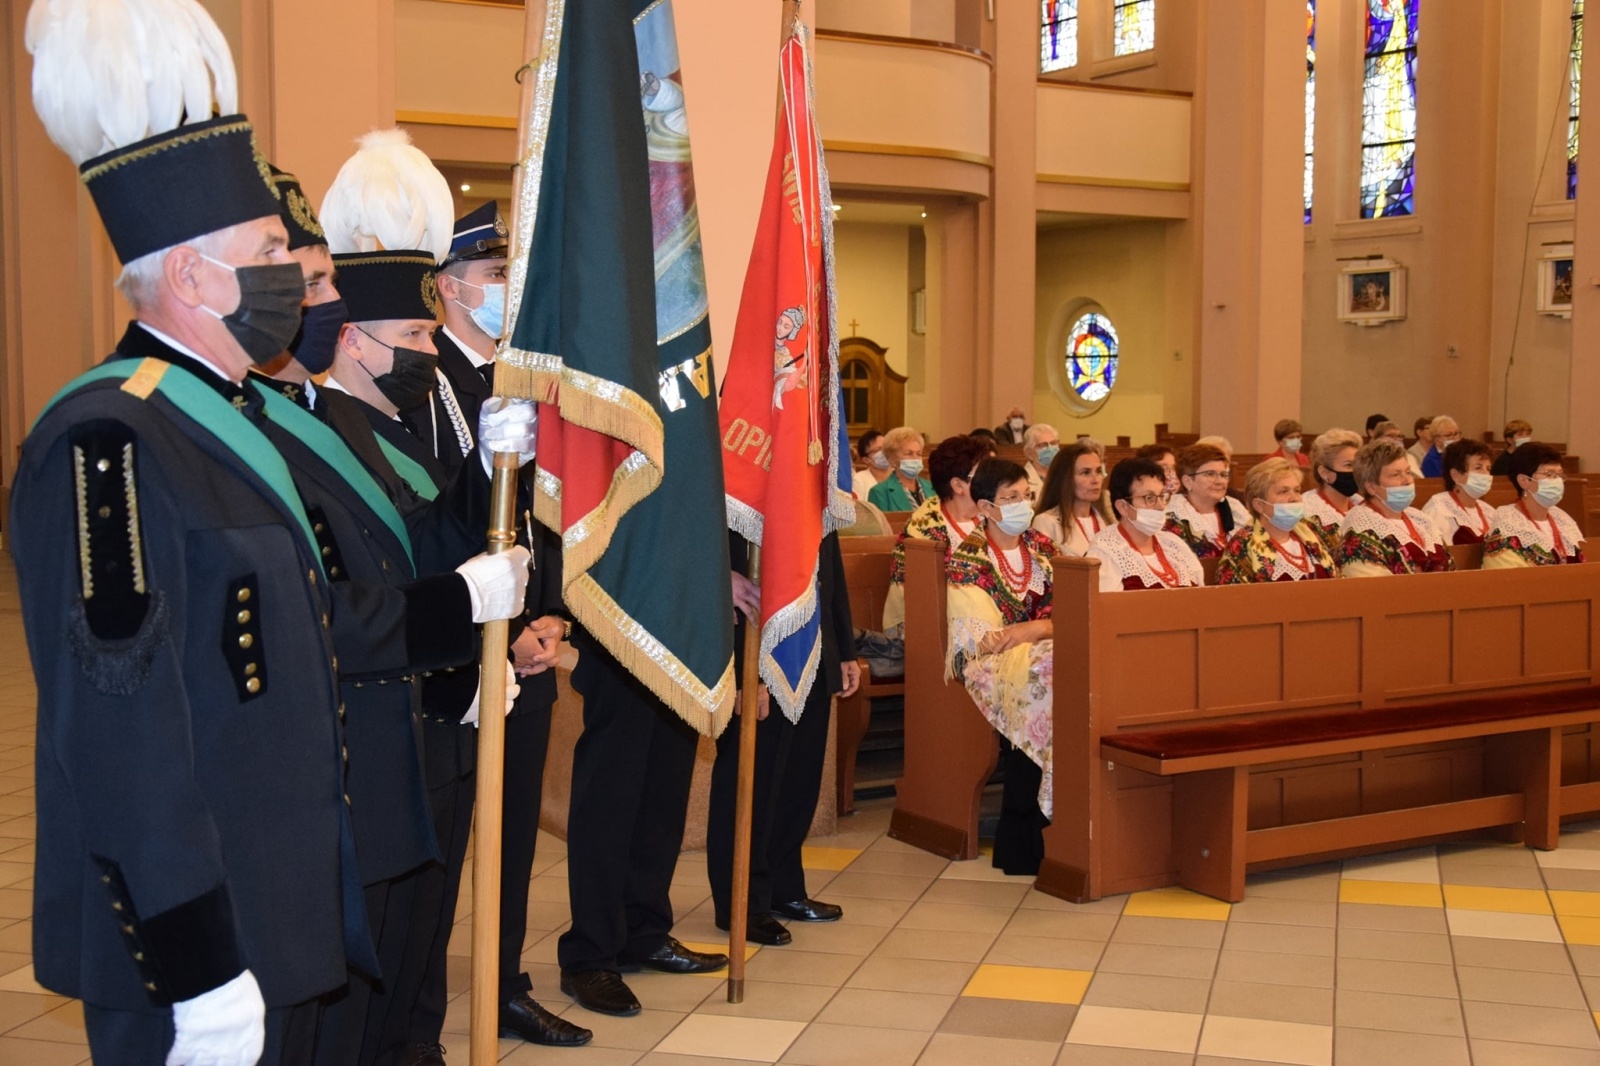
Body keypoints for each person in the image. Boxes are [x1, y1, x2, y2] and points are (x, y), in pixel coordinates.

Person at [14, 9, 370, 1059]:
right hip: (198, 945)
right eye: (269, 252)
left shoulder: (224, 414)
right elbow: (119, 737)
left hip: (275, 908)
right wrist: (199, 968)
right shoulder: (109, 440)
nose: (288, 274)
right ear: (190, 278)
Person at [249, 163, 554, 1064]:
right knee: (355, 989)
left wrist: (497, 467)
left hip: (419, 723)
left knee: (409, 960)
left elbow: (421, 534)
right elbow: (329, 604)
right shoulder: (264, 425)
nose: (324, 303)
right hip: (356, 740)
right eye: (313, 284)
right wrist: (464, 604)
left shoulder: (342, 422)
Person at [708, 535, 858, 943]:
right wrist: (742, 670)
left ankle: (784, 888)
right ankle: (743, 901)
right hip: (759, 648)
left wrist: (844, 648)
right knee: (751, 782)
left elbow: (830, 562)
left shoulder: (813, 489)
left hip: (814, 646)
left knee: (798, 779)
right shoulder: (736, 492)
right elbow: (732, 574)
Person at [945, 459, 1056, 875]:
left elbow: (1078, 605)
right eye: (1010, 498)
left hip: (1045, 652)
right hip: (985, 665)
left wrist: (1039, 627)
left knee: (1061, 672)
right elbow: (986, 640)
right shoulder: (968, 558)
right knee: (1043, 682)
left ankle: (1066, 822)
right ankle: (1025, 834)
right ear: (986, 507)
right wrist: (1039, 631)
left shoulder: (1043, 548)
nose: (1022, 505)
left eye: (1026, 495)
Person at [399, 200, 507, 478]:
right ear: (449, 287)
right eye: (496, 274)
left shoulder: (521, 371)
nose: (509, 286)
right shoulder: (425, 380)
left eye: (511, 274)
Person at [881, 434, 992, 639]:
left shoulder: (990, 516)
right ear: (958, 485)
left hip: (984, 619)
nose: (991, 482)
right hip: (932, 629)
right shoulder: (923, 528)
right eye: (982, 475)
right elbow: (925, 596)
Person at [1336, 438, 1453, 577]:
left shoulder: (1421, 520)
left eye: (1408, 472)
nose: (1407, 480)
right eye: (1395, 475)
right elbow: (1376, 587)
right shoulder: (1360, 531)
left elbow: (1452, 568)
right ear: (1371, 487)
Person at [1214, 459, 1339, 583]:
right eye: (1283, 492)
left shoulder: (1314, 532)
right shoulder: (1242, 546)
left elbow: (1340, 581)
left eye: (1297, 491)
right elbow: (1233, 594)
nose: (1294, 498)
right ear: (1259, 505)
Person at [1090, 459, 1205, 591]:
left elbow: (1202, 595)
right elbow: (1104, 603)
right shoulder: (1106, 552)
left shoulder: (1174, 545)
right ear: (1123, 507)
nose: (1161, 506)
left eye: (1162, 496)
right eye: (1149, 498)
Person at [1483, 443, 1586, 567]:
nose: (1557, 481)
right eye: (1549, 474)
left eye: (1559, 475)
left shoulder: (1561, 520)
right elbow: (1507, 576)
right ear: (1524, 481)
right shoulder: (1507, 527)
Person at [1164, 443, 1251, 559]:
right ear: (1187, 481)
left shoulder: (1234, 508)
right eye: (1210, 474)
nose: (1220, 481)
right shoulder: (1172, 518)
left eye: (1223, 474)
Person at [1031, 439, 1109, 556]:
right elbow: (1045, 566)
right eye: (1085, 473)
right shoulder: (1046, 522)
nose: (1096, 480)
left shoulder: (1106, 520)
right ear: (1065, 478)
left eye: (1098, 471)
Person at [1420, 438, 1496, 544]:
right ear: (1455, 475)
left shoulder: (1489, 511)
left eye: (1488, 468)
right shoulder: (1439, 509)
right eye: (1478, 468)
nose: (1486, 474)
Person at [1302, 429, 1363, 555]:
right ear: (1324, 472)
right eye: (1348, 465)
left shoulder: (1361, 503)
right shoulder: (1309, 512)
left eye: (1357, 465)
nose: (1356, 471)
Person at [867, 426, 934, 512]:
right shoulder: (879, 492)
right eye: (909, 453)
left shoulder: (932, 487)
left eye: (919, 454)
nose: (915, 458)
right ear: (892, 460)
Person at [1021, 423, 1061, 496]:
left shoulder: (1066, 474)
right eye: (1043, 445)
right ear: (1029, 453)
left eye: (1053, 443)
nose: (1050, 449)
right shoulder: (1021, 479)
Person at [852, 427, 891, 500]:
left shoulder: (900, 474)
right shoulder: (859, 480)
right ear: (866, 460)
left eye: (885, 447)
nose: (884, 452)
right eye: (878, 449)